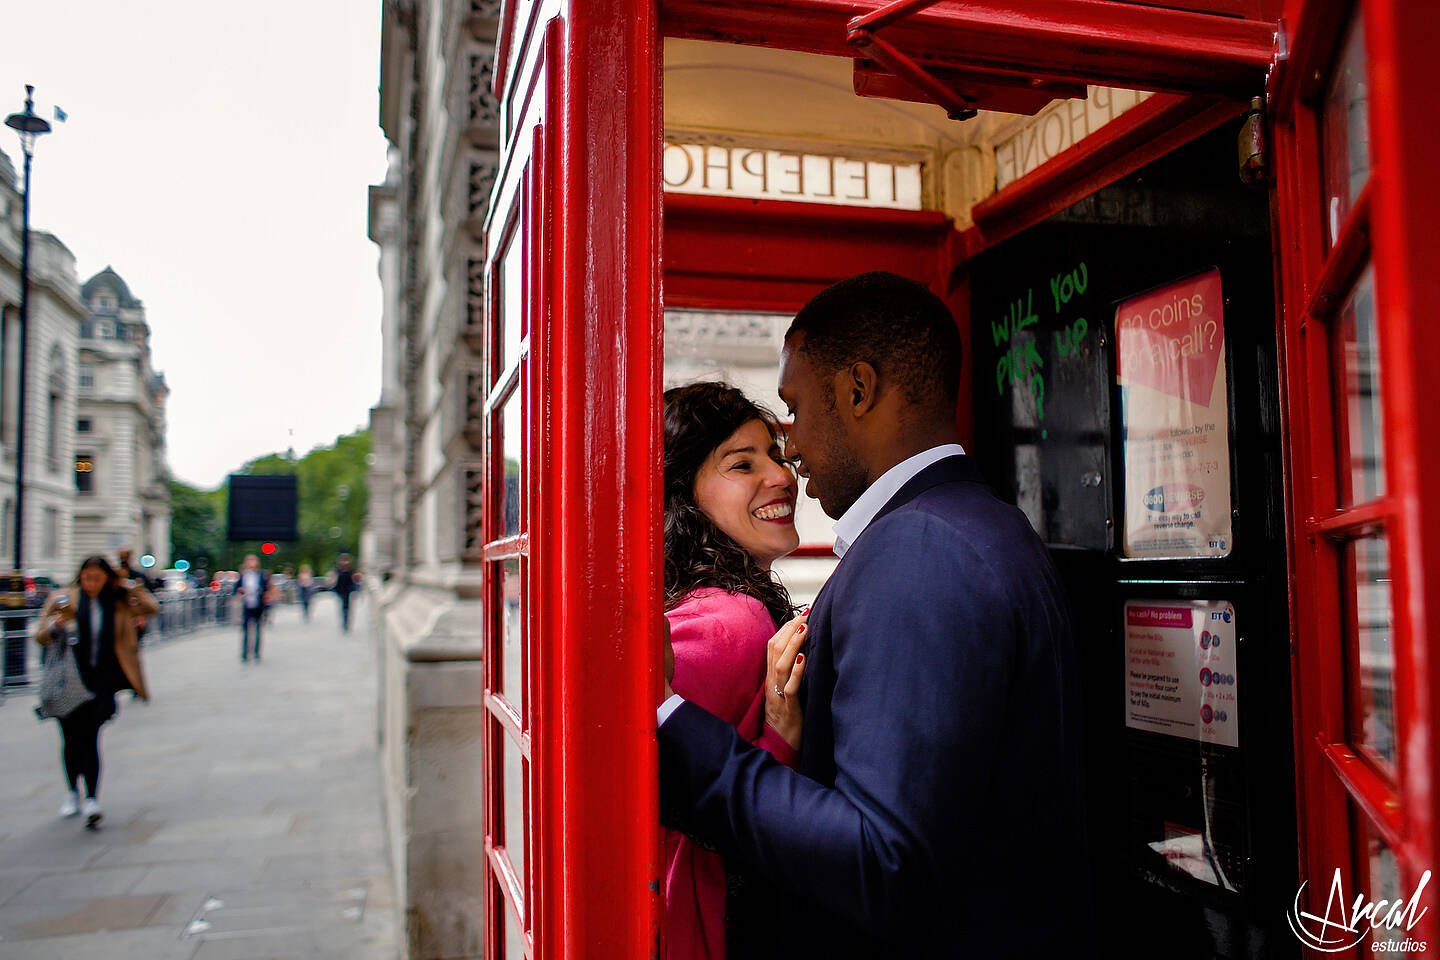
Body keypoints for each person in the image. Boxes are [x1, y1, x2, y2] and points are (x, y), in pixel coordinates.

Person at [657, 272, 1091, 957]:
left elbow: (881, 857)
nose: (790, 450)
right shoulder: (978, 523)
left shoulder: (921, 550)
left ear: (857, 390)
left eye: (795, 409)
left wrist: (669, 720)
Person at [661, 381, 809, 960]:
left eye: (774, 453)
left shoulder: (717, 605)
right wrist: (782, 734)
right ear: (685, 497)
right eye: (742, 464)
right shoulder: (729, 623)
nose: (781, 475)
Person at [34, 556, 159, 830]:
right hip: (68, 680)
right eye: (87, 577)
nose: (91, 584)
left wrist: (131, 586)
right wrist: (55, 626)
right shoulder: (63, 599)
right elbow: (39, 634)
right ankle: (71, 792)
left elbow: (151, 608)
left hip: (101, 682)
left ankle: (91, 798)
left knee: (90, 738)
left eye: (97, 578)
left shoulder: (117, 602)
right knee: (70, 739)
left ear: (107, 579)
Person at [232, 554, 270, 662]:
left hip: (258, 604)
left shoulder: (261, 574)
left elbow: (265, 587)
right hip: (246, 604)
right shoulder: (243, 575)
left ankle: (257, 653)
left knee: (258, 630)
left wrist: (260, 591)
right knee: (245, 630)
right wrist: (241, 591)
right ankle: (244, 653)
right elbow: (236, 588)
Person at [331, 554, 359, 632]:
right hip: (341, 591)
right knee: (343, 607)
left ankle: (347, 623)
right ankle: (344, 622)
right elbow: (335, 580)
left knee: (347, 607)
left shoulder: (350, 570)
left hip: (347, 591)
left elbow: (353, 581)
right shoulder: (338, 570)